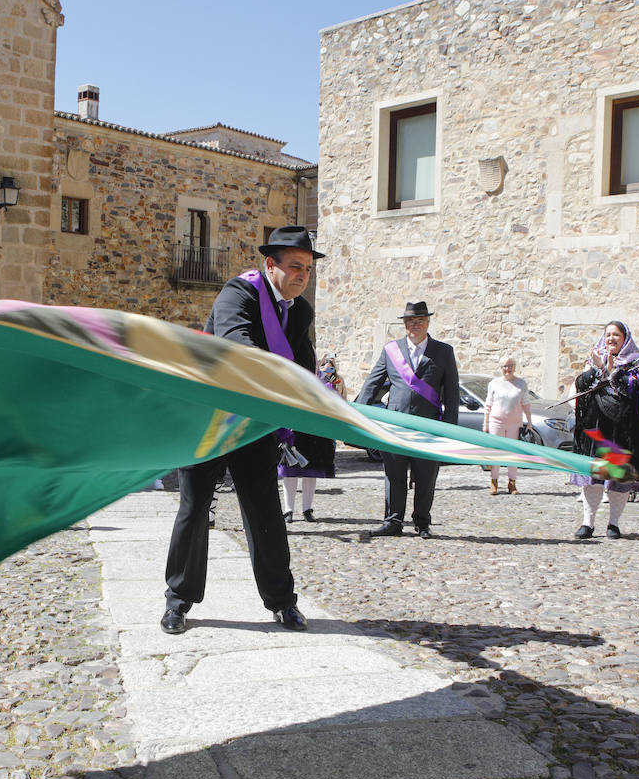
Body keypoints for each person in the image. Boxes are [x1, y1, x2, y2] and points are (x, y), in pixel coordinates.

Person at [161, 225, 321, 635]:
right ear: (271, 264)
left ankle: (283, 602)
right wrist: (280, 381)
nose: (302, 275)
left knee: (265, 511)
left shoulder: (300, 311)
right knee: (194, 509)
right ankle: (178, 601)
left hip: (254, 425)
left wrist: (321, 402)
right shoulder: (239, 293)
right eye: (295, 267)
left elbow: (305, 367)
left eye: (307, 268)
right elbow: (237, 346)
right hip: (210, 419)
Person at [355, 301, 460, 539]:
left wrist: (450, 430)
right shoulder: (391, 350)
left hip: (428, 427)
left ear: (428, 322)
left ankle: (422, 522)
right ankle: (393, 521)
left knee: (426, 476)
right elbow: (373, 382)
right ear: (404, 324)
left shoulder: (444, 351)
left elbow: (452, 394)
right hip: (395, 426)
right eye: (411, 321)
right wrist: (357, 414)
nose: (415, 324)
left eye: (420, 320)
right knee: (394, 475)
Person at [570, 322, 639, 539]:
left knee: (619, 478)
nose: (611, 339)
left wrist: (609, 369)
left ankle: (613, 524)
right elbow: (581, 384)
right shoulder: (594, 359)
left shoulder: (637, 363)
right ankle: (587, 523)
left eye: (616, 334)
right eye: (608, 334)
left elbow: (634, 388)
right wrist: (598, 368)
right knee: (593, 477)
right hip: (596, 427)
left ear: (625, 337)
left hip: (624, 430)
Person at [278, 355, 341, 522]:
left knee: (310, 472)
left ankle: (307, 509)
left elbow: (334, 398)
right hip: (294, 430)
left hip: (314, 431)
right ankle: (288, 510)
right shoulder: (292, 376)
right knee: (290, 472)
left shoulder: (326, 382)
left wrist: (329, 380)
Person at [483, 356, 532, 495]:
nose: (507, 369)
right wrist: (485, 424)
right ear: (500, 368)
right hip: (496, 421)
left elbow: (526, 403)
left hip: (514, 423)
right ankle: (494, 482)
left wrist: (529, 421)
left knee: (513, 453)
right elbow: (488, 404)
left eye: (510, 365)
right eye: (504, 366)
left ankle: (512, 483)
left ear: (514, 367)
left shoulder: (521, 383)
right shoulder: (494, 383)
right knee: (495, 452)